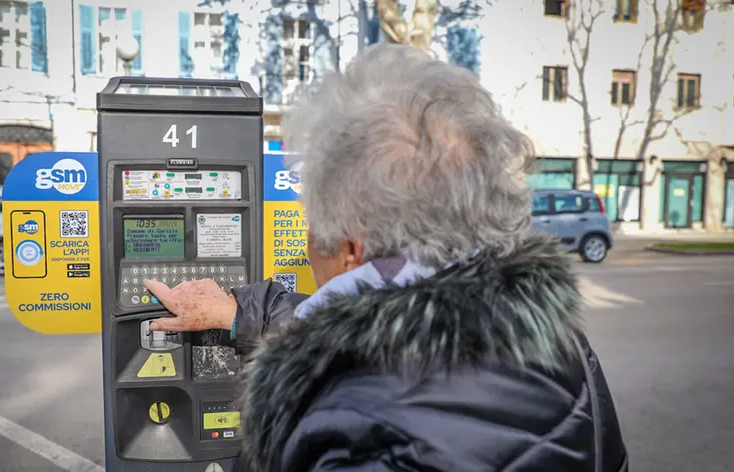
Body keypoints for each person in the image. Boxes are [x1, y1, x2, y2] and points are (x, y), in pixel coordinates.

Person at [145, 43, 628, 472]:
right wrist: (237, 313)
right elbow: (390, 325)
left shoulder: (357, 432)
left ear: (351, 245)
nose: (310, 241)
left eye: (313, 221)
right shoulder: (561, 343)